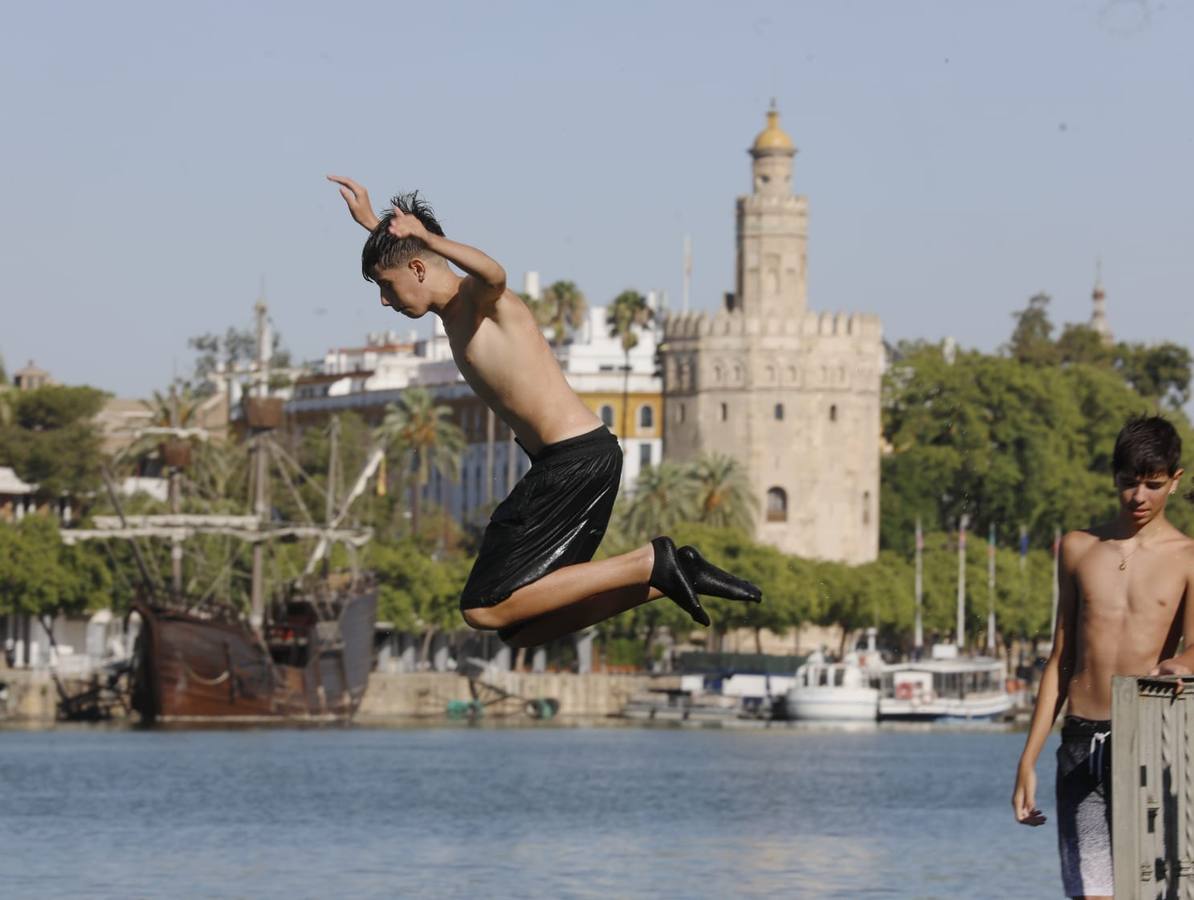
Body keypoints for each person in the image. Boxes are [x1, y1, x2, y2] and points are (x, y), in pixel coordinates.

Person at [327, 175, 762, 647]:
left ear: (416, 268)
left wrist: (428, 239)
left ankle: (651, 561)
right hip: (573, 462)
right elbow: (410, 260)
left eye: (386, 286)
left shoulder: (479, 301)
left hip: (573, 461)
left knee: (482, 606)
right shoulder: (449, 311)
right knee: (522, 627)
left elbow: (495, 274)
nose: (384, 300)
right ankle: (673, 576)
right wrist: (375, 227)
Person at [1012, 415, 1194, 899]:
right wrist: (1028, 759)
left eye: (1153, 485)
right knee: (1091, 894)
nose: (1139, 497)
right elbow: (1060, 659)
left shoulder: (1188, 557)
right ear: (1114, 477)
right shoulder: (1078, 548)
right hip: (1079, 745)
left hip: (1148, 745)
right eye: (1129, 482)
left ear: (1175, 481)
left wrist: (1181, 664)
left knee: (1148, 891)